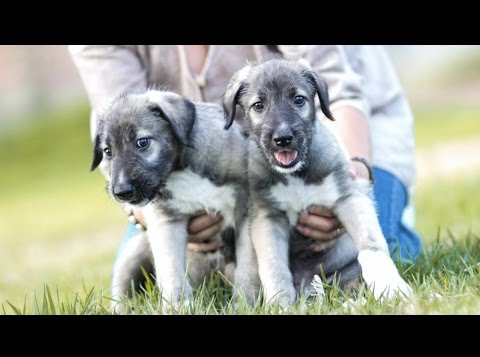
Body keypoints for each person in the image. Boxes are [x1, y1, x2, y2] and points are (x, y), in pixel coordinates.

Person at [69, 45, 422, 295]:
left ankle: (394, 225)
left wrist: (352, 178)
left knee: (363, 254)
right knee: (149, 273)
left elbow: (338, 90)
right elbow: (118, 126)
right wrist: (146, 213)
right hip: (205, 179)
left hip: (356, 139)